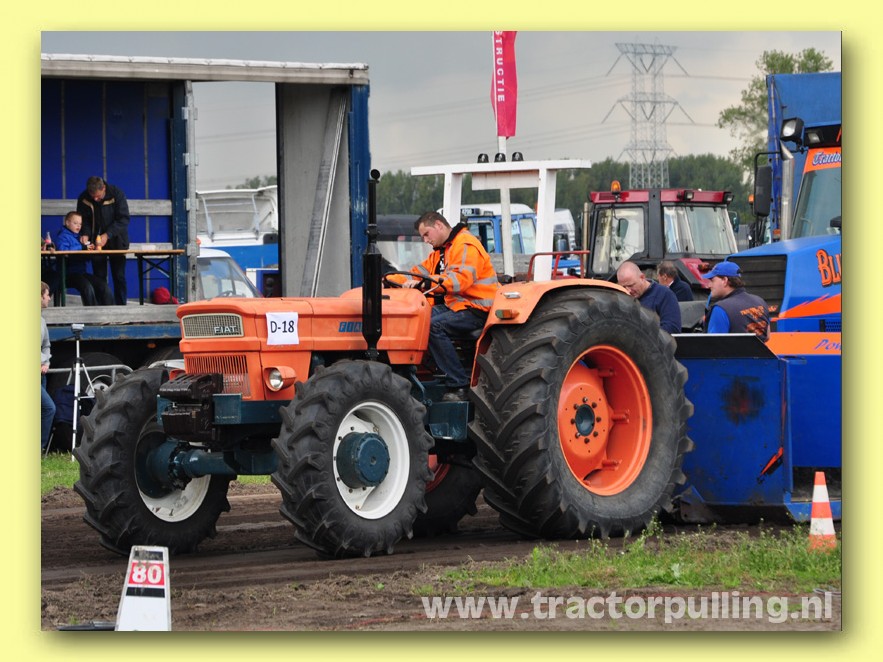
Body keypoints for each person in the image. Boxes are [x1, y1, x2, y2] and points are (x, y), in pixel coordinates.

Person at [394, 211, 500, 401]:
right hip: (456, 307)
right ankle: (419, 372)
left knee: (433, 326)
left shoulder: (465, 244)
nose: (426, 240)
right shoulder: (441, 252)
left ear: (439, 225)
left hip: (477, 308)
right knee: (417, 320)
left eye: (426, 234)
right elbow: (417, 274)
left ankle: (459, 384)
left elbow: (460, 280)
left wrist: (426, 283)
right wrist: (389, 280)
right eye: (423, 237)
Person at [76, 176, 130, 305]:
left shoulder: (117, 194)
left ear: (104, 188)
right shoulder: (84, 198)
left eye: (98, 197)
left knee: (119, 276)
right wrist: (86, 234)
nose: (95, 199)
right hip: (96, 243)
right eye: (93, 197)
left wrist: (107, 235)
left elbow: (123, 219)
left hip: (117, 241)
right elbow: (84, 220)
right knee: (99, 277)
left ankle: (121, 307)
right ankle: (102, 307)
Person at [53, 211, 114, 306]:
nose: (78, 226)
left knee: (103, 285)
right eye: (75, 223)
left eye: (80, 224)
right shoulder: (62, 236)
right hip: (67, 274)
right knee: (87, 287)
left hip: (81, 273)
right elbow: (63, 250)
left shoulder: (80, 237)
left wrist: (91, 250)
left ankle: (109, 312)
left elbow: (83, 256)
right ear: (67, 223)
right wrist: (82, 247)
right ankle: (92, 314)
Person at [701, 261, 771, 340]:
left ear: (725, 280)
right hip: (759, 348)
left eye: (712, 280)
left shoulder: (721, 309)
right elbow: (767, 336)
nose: (708, 285)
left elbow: (713, 344)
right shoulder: (760, 301)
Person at [616, 260, 681, 334]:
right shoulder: (621, 298)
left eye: (631, 285)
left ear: (642, 277)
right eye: (624, 287)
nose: (628, 291)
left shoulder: (664, 295)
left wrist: (642, 335)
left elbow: (672, 327)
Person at [41, 281, 56, 452]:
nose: (49, 298)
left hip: (42, 373)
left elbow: (46, 345)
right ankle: (40, 448)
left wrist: (46, 363)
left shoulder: (41, 321)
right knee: (49, 408)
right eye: (47, 294)